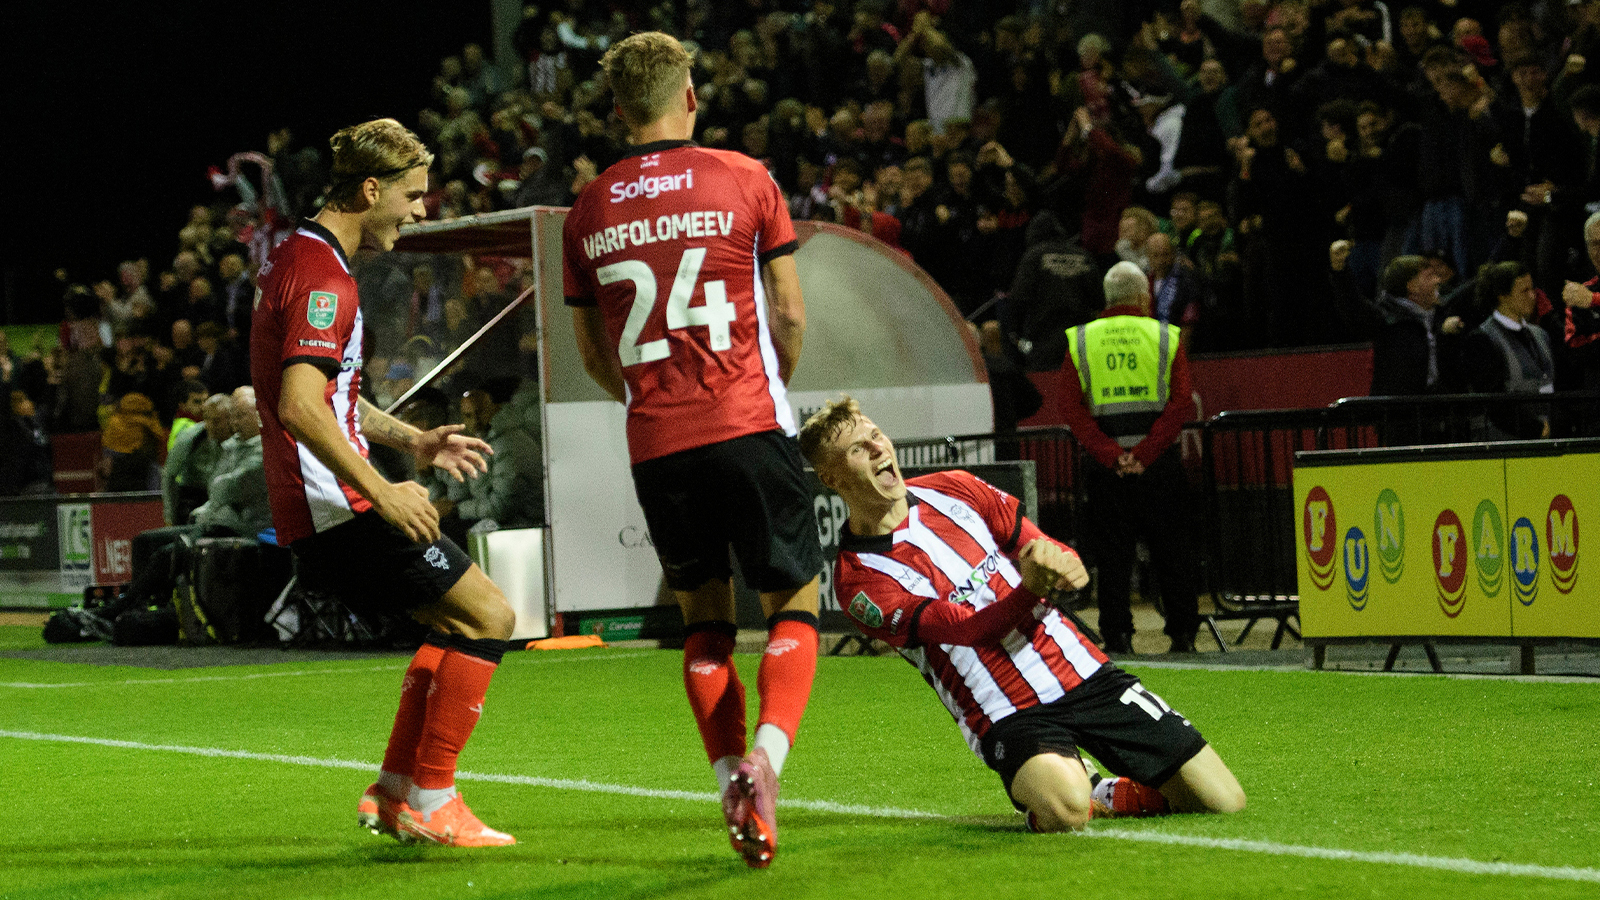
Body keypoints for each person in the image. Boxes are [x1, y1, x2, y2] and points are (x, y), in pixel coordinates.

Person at [562, 32, 822, 869]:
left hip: (658, 443)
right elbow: (786, 314)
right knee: (796, 606)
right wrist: (770, 386)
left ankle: (725, 781)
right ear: (692, 96)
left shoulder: (588, 209)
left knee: (703, 624)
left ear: (616, 110)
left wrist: (652, 402)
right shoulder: (745, 177)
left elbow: (595, 354)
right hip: (747, 422)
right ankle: (767, 766)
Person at [798, 395, 1245, 832]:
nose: (878, 448)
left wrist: (1063, 561)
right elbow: (970, 629)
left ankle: (1103, 790)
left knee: (1222, 801)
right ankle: (1080, 789)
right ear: (833, 478)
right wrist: (1032, 587)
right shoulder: (859, 581)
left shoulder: (954, 487)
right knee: (1065, 812)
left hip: (1079, 670)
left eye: (876, 435)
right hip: (1005, 711)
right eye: (859, 448)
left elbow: (1036, 545)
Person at [250, 118, 518, 848]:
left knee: (450, 624)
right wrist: (385, 488)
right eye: (413, 195)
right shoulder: (322, 277)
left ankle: (397, 791)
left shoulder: (301, 258)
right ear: (371, 189)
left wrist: (414, 440)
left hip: (324, 503)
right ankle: (431, 796)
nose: (420, 210)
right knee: (490, 617)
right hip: (337, 505)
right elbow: (300, 407)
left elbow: (330, 393)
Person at [1059, 262, 1203, 654]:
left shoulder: (1082, 340)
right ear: (1143, 297)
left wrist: (1111, 455)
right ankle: (1183, 634)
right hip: (1159, 467)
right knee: (1171, 550)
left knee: (1113, 555)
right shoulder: (1166, 337)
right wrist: (1145, 453)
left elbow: (1071, 408)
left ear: (1108, 297)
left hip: (1107, 471)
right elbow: (1180, 404)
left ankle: (1118, 635)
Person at [1461, 262, 1555, 440]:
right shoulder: (1482, 339)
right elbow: (1494, 402)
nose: (1532, 296)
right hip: (1502, 442)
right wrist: (1535, 429)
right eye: (1523, 291)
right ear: (1503, 296)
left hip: (1544, 439)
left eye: (1532, 289)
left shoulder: (1541, 335)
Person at [162, 393, 234, 525]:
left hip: (225, 500)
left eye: (216, 420)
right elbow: (169, 475)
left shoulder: (239, 439)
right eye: (206, 418)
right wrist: (170, 516)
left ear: (230, 418)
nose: (210, 425)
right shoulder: (190, 438)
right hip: (194, 497)